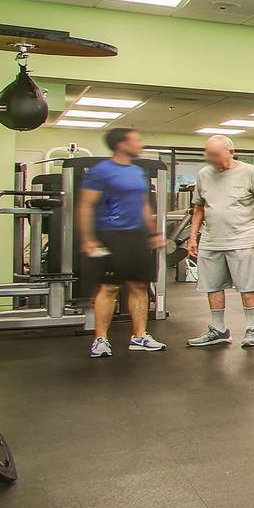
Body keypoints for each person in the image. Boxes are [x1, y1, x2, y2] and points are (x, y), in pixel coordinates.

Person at [76, 126, 167, 357]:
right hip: (111, 233)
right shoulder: (101, 171)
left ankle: (139, 336)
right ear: (121, 145)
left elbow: (144, 205)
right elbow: (85, 205)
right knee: (110, 287)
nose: (141, 145)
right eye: (136, 141)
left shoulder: (137, 172)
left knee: (139, 285)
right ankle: (100, 339)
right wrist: (88, 238)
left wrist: (154, 233)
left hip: (136, 235)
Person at [185, 134, 254, 348]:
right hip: (211, 240)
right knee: (212, 287)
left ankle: (252, 329)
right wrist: (192, 237)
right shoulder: (204, 174)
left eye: (215, 154)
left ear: (231, 152)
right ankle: (218, 330)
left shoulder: (249, 172)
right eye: (209, 154)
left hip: (243, 240)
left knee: (248, 287)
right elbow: (198, 208)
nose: (211, 158)